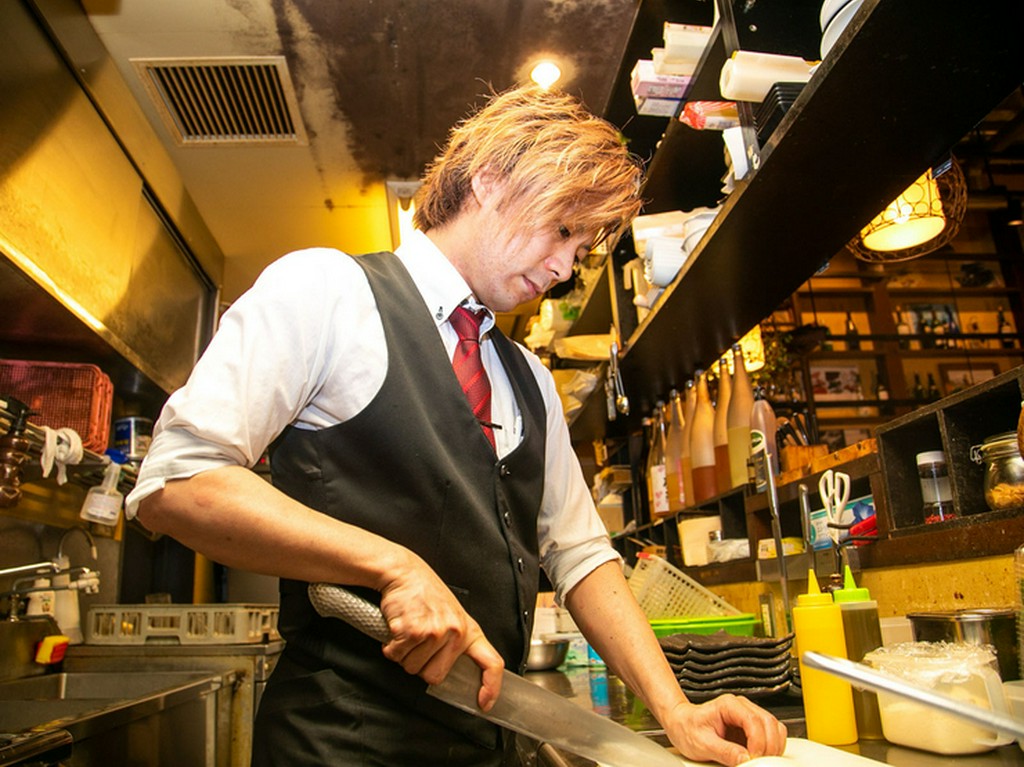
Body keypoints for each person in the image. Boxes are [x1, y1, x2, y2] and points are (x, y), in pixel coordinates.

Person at [127, 85, 787, 766]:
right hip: (340, 745)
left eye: (582, 248)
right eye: (562, 229)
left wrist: (676, 708)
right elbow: (177, 482)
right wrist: (392, 564)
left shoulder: (528, 377)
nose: (564, 267)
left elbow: (581, 554)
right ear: (490, 179)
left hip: (486, 744)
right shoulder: (327, 292)